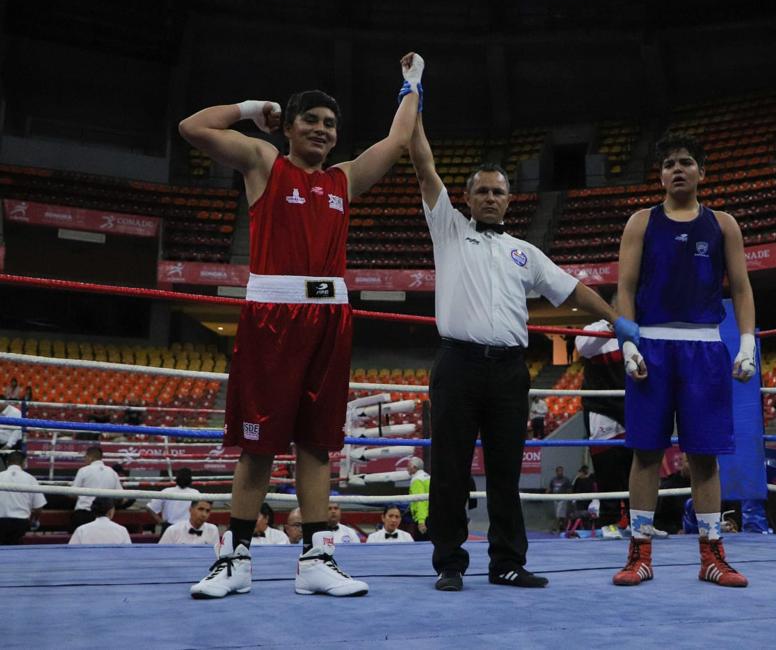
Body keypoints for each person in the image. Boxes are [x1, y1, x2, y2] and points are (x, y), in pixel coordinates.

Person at [181, 52, 423, 599]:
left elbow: (398, 140)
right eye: (310, 120)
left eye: (329, 124)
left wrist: (413, 82)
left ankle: (316, 556)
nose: (320, 129)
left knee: (317, 445)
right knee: (258, 445)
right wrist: (250, 109)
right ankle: (236, 558)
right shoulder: (265, 163)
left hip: (331, 317)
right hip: (272, 314)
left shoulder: (345, 179)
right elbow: (191, 128)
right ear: (287, 126)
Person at [408, 111, 634, 593]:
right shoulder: (448, 230)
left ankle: (507, 562)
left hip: (510, 371)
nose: (490, 198)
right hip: (457, 364)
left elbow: (571, 289)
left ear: (510, 200)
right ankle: (449, 561)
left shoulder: (524, 252)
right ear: (467, 198)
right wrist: (416, 97)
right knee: (449, 469)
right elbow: (424, 165)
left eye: (498, 191)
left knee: (507, 471)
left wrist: (618, 322)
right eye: (482, 191)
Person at [612, 132, 755, 589]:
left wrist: (747, 343)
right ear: (660, 174)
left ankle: (712, 554)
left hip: (706, 346)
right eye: (670, 163)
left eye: (686, 162)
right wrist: (629, 344)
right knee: (647, 452)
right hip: (651, 345)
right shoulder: (640, 222)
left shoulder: (724, 224)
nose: (678, 169)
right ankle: (640, 553)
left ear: (701, 172)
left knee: (705, 454)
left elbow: (743, 288)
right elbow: (626, 289)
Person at [574, 309, 634, 528]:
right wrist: (614, 326)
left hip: (630, 406)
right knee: (607, 465)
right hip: (602, 408)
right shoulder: (594, 329)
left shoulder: (638, 330)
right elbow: (582, 347)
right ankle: (609, 521)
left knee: (635, 465)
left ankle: (638, 521)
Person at [70, 446, 123, 531]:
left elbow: (72, 493)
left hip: (84, 514)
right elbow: (120, 496)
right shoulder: (112, 472)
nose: (84, 459)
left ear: (90, 457)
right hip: (105, 516)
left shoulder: (84, 470)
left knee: (80, 542)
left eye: (85, 457)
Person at [0, 451, 46, 544]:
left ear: (7, 462)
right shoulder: (30, 478)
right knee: (17, 554)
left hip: (1, 522)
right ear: (24, 462)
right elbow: (38, 507)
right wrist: (35, 520)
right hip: (21, 524)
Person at [408, 456, 430, 540]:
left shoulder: (417, 480)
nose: (407, 469)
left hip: (424, 518)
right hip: (431, 516)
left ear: (414, 467)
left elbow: (421, 501)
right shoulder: (427, 477)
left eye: (408, 466)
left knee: (421, 545)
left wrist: (421, 521)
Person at [547, 465, 573, 533]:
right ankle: (561, 527)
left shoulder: (566, 480)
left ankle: (556, 528)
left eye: (561, 471)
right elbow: (550, 488)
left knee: (559, 514)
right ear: (556, 472)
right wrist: (546, 494)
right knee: (557, 515)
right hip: (555, 499)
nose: (560, 472)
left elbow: (569, 489)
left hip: (562, 499)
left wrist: (569, 497)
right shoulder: (553, 480)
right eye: (559, 471)